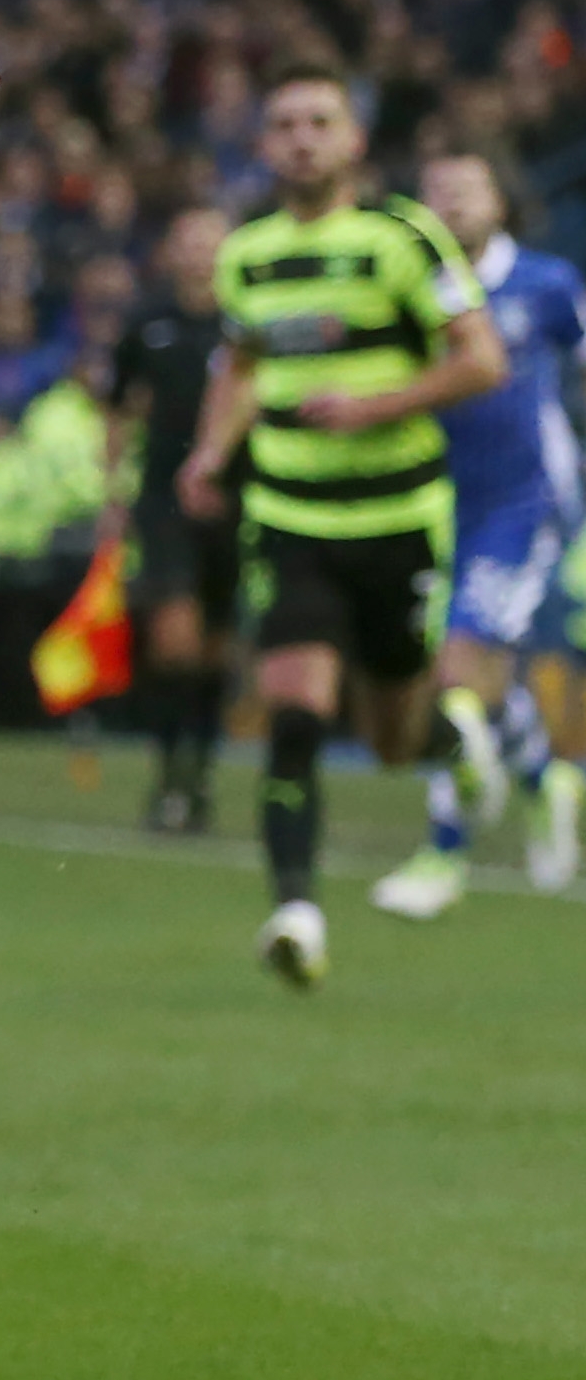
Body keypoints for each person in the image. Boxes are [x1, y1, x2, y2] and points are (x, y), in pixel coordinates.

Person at [178, 72, 506, 986]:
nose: (302, 139)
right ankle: (296, 912)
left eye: (321, 122)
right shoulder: (246, 254)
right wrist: (209, 453)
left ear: (355, 141)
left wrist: (377, 406)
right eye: (283, 124)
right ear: (264, 145)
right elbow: (240, 367)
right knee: (295, 712)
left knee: (390, 737)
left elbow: (482, 360)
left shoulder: (403, 236)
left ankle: (450, 735)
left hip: (398, 518)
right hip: (290, 517)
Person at [369, 153, 586, 915]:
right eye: (436, 190)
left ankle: (444, 855)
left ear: (501, 199)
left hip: (521, 505)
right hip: (426, 502)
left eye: (467, 189)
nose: (452, 203)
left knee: (455, 679)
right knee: (474, 683)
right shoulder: (401, 284)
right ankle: (548, 776)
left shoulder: (547, 284)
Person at [102, 206, 239, 833]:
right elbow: (120, 406)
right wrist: (113, 492)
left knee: (216, 649)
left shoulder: (248, 320)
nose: (201, 254)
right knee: (174, 642)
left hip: (240, 497)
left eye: (213, 242)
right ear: (172, 251)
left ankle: (198, 774)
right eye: (190, 241)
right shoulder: (148, 322)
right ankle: (167, 775)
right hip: (163, 498)